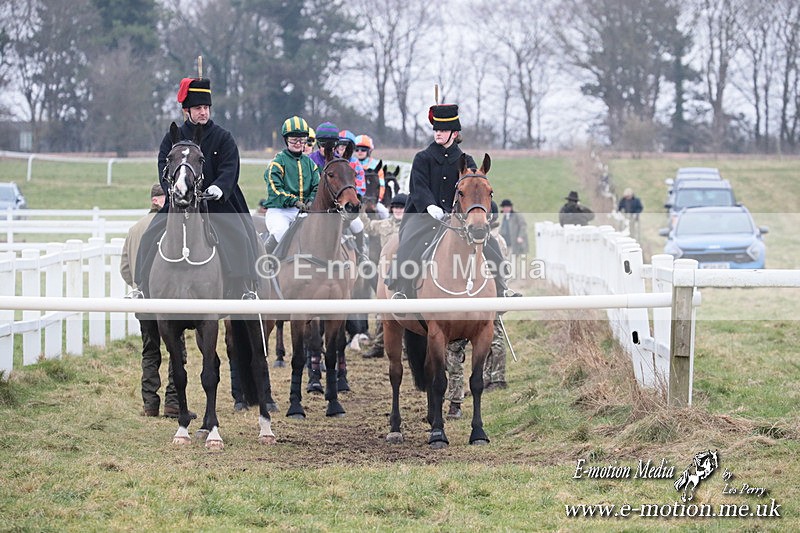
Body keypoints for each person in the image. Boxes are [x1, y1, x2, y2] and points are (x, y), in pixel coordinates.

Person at [134, 76, 261, 300]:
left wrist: (219, 188)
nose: (203, 112)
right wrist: (173, 191)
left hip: (216, 201)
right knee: (149, 236)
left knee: (241, 234)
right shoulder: (172, 138)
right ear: (187, 111)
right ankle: (142, 288)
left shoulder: (223, 137)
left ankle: (244, 288)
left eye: (206, 108)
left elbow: (231, 167)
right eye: (198, 108)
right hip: (180, 202)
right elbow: (163, 166)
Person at [385, 103, 518, 299]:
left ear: (454, 134)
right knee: (410, 243)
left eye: (443, 130)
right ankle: (402, 290)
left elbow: (475, 188)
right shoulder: (423, 158)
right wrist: (430, 206)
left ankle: (501, 288)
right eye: (436, 129)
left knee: (490, 243)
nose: (438, 133)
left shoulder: (467, 160)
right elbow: (418, 187)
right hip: (425, 215)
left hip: (460, 217)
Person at [120, 183, 191, 419]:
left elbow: (125, 268)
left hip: (144, 301)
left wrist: (138, 286)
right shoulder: (170, 229)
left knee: (150, 351)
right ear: (158, 200)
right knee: (176, 350)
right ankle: (173, 402)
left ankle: (150, 404)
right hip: (168, 300)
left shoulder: (134, 229)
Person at [261, 116, 321, 255]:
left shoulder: (311, 164)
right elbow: (275, 189)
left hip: (303, 212)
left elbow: (317, 186)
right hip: (279, 211)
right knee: (281, 232)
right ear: (286, 140)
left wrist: (311, 200)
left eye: (302, 139)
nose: (298, 143)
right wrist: (294, 201)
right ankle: (262, 263)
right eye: (294, 139)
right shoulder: (277, 162)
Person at [362, 193, 407, 359]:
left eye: (401, 207)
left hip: (407, 272)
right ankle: (379, 345)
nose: (398, 210)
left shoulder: (411, 227)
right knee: (381, 310)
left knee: (405, 310)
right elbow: (367, 226)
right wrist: (362, 208)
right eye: (396, 207)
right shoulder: (384, 225)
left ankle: (405, 348)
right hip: (386, 273)